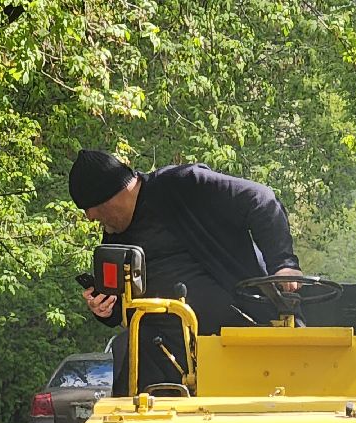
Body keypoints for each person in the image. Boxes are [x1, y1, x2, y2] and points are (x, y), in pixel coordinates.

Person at [68, 149, 303, 393]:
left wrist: (283, 264)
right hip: (164, 353)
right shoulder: (115, 240)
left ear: (113, 193)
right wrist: (105, 308)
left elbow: (261, 199)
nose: (90, 218)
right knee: (125, 348)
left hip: (240, 333)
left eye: (92, 208)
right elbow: (121, 308)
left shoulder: (181, 184)